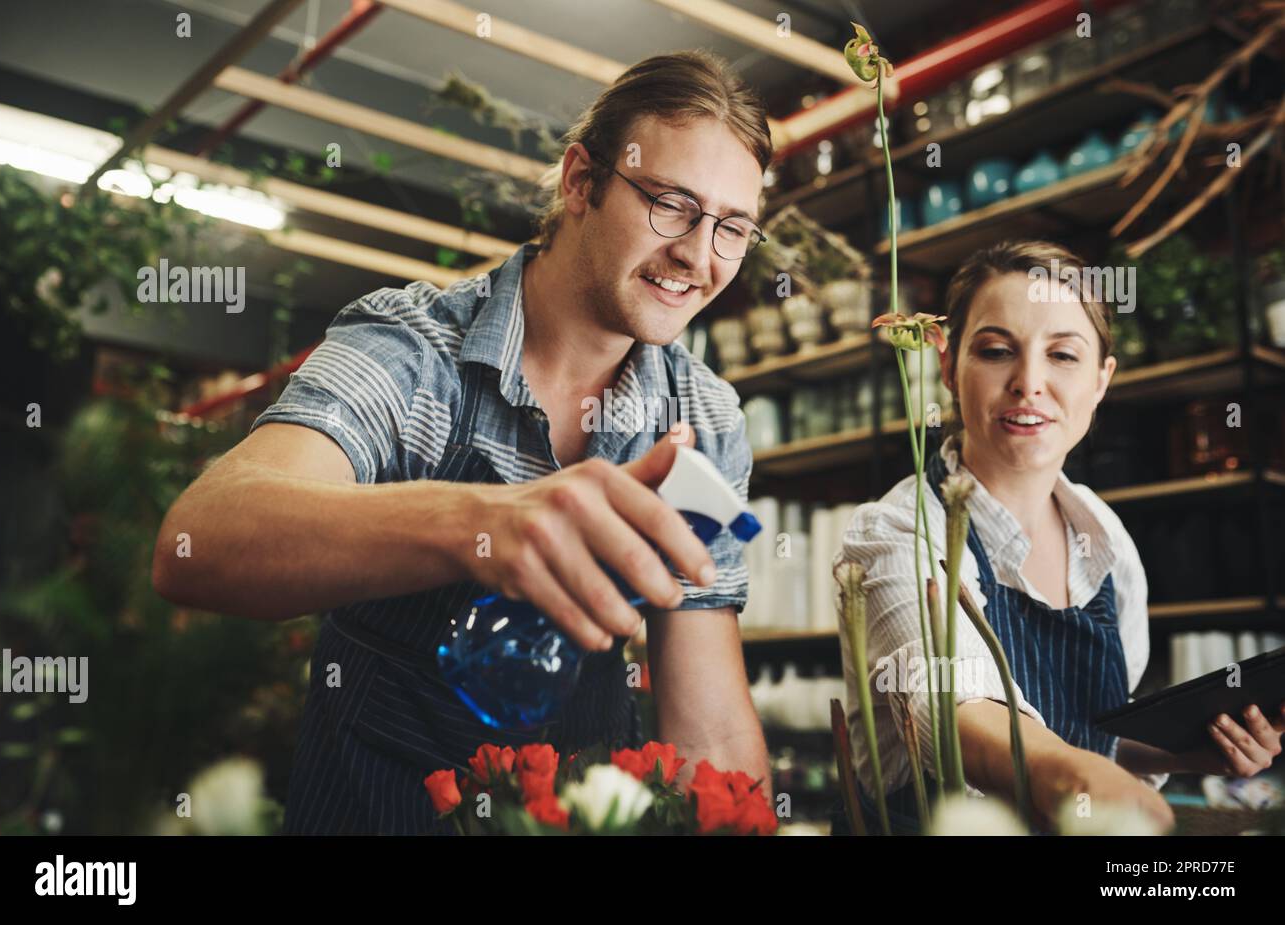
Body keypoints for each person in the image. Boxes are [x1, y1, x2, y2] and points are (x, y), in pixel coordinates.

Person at [153, 50, 774, 834]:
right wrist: (482, 525)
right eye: (673, 204)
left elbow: (709, 733)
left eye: (732, 227)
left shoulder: (703, 416)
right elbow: (195, 539)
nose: (698, 253)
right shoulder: (414, 350)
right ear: (580, 181)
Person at [834, 240, 1284, 834]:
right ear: (948, 368)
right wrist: (1077, 781)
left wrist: (1185, 753)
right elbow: (949, 712)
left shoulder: (1105, 539)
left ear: (1101, 381)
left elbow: (1094, 737)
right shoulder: (896, 531)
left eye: (1064, 356)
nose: (1029, 382)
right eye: (996, 351)